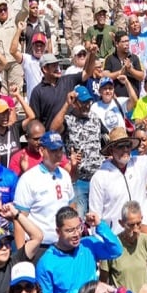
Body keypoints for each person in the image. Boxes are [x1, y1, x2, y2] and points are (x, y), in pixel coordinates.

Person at [89, 118, 147, 234]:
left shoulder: (139, 164)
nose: (125, 149)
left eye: (128, 145)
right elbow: (95, 216)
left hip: (140, 233)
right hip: (115, 237)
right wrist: (103, 240)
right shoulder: (99, 177)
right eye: (120, 146)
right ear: (111, 150)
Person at [36, 207, 123, 293]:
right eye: (70, 230)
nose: (76, 234)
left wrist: (99, 225)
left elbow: (116, 251)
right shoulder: (46, 263)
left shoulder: (88, 245)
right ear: (58, 232)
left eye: (79, 228)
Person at [13, 131, 75, 250]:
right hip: (39, 247)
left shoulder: (65, 175)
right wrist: (21, 255)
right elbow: (19, 220)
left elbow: (72, 207)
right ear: (42, 151)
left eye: (60, 150)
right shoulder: (28, 179)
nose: (58, 154)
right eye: (53, 150)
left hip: (64, 245)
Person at [50, 86, 103, 218]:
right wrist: (66, 104)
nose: (87, 106)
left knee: (98, 217)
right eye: (83, 102)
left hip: (97, 178)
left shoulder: (95, 118)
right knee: (79, 217)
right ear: (75, 103)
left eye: (88, 102)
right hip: (79, 180)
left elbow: (106, 139)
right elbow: (53, 130)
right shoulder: (68, 119)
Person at [29, 47, 97, 129]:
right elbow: (35, 120)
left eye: (57, 65)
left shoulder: (68, 80)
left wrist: (92, 54)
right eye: (54, 66)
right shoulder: (37, 92)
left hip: (70, 134)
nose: (57, 68)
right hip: (50, 134)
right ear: (45, 69)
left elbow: (87, 73)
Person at [99, 200, 147, 293]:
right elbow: (103, 281)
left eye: (138, 224)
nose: (135, 229)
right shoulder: (111, 246)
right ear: (121, 223)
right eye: (131, 225)